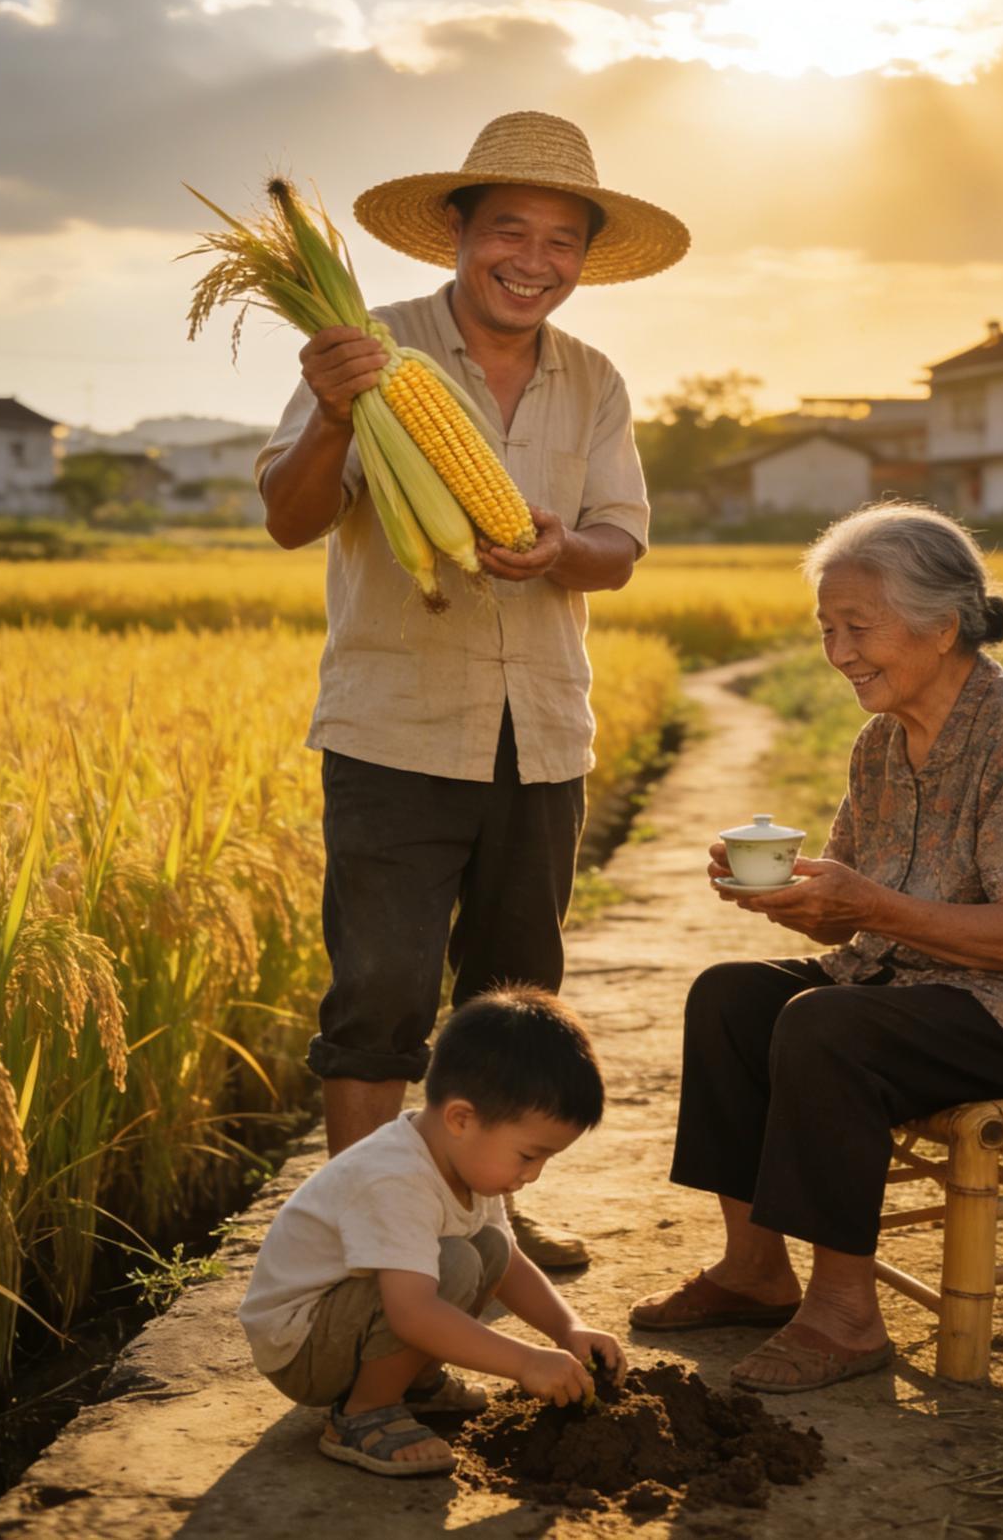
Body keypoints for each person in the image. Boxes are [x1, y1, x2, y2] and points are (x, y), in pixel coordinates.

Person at [255, 111, 689, 1268]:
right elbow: (291, 517)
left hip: (540, 730)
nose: (533, 260)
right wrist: (334, 412)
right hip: (394, 728)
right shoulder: (365, 350)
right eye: (509, 230)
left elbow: (618, 545)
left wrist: (561, 548)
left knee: (513, 996)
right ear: (455, 230)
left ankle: (490, 1221)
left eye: (561, 240)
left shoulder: (593, 379)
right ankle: (369, 1240)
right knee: (379, 992)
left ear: (582, 258)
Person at [630, 502, 1003, 1392]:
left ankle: (846, 1317)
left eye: (859, 627)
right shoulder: (881, 743)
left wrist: (866, 904)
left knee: (826, 1026)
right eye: (827, 629)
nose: (839, 652)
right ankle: (754, 1270)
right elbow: (856, 914)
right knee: (729, 997)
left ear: (942, 627)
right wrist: (801, 903)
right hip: (918, 986)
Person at [238, 988, 624, 1478]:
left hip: (349, 1323)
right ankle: (363, 1413)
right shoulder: (393, 1176)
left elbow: (508, 1263)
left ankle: (413, 1382)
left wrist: (567, 1329)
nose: (533, 1175)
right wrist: (526, 1362)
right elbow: (413, 1312)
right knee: (454, 1264)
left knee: (489, 1248)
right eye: (529, 1155)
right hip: (303, 1349)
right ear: (461, 1118)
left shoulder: (464, 1162)